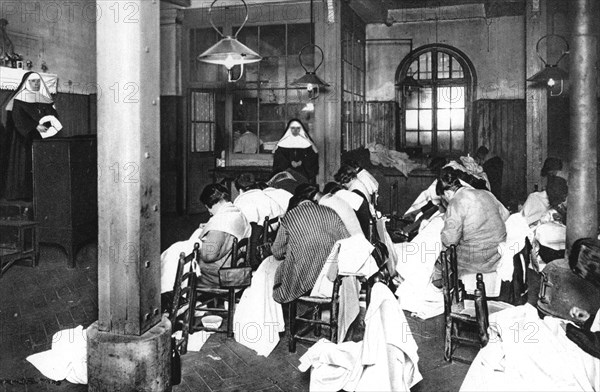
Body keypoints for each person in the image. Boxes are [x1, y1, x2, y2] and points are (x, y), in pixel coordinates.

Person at [271, 183, 350, 303]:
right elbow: (347, 243)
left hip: (302, 281)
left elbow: (277, 252)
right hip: (331, 281)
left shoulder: (291, 216)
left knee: (276, 276)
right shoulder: (331, 212)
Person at [438, 167, 510, 276]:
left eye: (444, 198)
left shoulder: (456, 201)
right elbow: (506, 215)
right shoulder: (486, 193)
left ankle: (438, 288)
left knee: (440, 258)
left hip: (476, 260)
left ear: (447, 193)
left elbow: (450, 240)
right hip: (497, 254)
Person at [1, 72, 58, 200]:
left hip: (43, 137)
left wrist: (50, 122)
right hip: (23, 139)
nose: (36, 84)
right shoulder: (19, 98)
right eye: (33, 81)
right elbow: (18, 118)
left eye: (38, 81)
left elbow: (52, 115)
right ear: (27, 83)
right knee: (25, 165)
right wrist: (35, 126)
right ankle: (23, 193)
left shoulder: (44, 98)